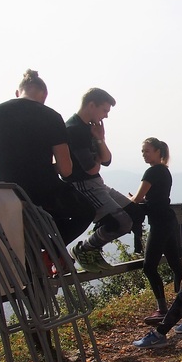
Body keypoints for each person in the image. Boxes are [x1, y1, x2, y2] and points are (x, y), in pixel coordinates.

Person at [0, 70, 95, 248]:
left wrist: (8, 161)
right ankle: (49, 249)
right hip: (44, 192)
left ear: (18, 92)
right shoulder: (51, 116)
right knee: (86, 211)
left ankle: (37, 249)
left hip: (9, 193)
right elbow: (65, 169)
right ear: (44, 94)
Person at [65, 88, 134, 273]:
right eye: (104, 110)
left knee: (134, 212)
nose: (106, 116)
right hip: (83, 185)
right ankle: (83, 249)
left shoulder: (90, 129)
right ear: (91, 105)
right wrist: (99, 156)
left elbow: (107, 160)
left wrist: (100, 138)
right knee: (122, 222)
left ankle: (93, 249)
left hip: (97, 182)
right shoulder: (73, 130)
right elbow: (91, 168)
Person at [129, 138, 182, 325]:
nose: (144, 154)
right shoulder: (165, 171)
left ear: (157, 152)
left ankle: (162, 309)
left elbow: (136, 199)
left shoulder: (152, 171)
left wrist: (121, 199)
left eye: (147, 151)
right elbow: (157, 198)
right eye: (142, 151)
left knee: (149, 266)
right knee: (176, 265)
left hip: (160, 222)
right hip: (169, 220)